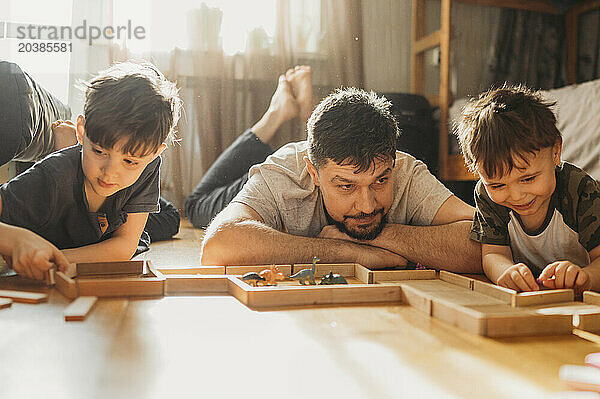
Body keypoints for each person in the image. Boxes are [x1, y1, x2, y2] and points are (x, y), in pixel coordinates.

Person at [200, 87, 481, 271]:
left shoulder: (405, 169)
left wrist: (378, 237)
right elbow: (218, 246)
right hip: (223, 201)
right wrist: (347, 252)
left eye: (380, 181)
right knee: (197, 203)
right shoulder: (283, 172)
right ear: (314, 173)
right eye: (346, 186)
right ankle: (276, 113)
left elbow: (487, 239)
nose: (368, 206)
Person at [0, 61, 182, 280]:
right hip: (84, 220)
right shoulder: (52, 178)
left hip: (112, 226)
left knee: (171, 217)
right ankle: (75, 150)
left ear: (155, 153)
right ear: (81, 129)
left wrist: (59, 258)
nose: (109, 173)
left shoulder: (149, 165)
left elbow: (124, 247)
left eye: (130, 161)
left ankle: (84, 152)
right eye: (99, 151)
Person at [455, 85, 600, 293]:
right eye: (497, 185)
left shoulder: (578, 188)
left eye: (528, 178)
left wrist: (584, 278)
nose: (516, 196)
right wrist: (506, 272)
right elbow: (493, 254)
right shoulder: (486, 196)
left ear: (555, 152)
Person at [185, 65, 313, 228]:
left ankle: (283, 114)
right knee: (197, 204)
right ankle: (309, 119)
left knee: (195, 205)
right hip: (299, 172)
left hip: (290, 177)